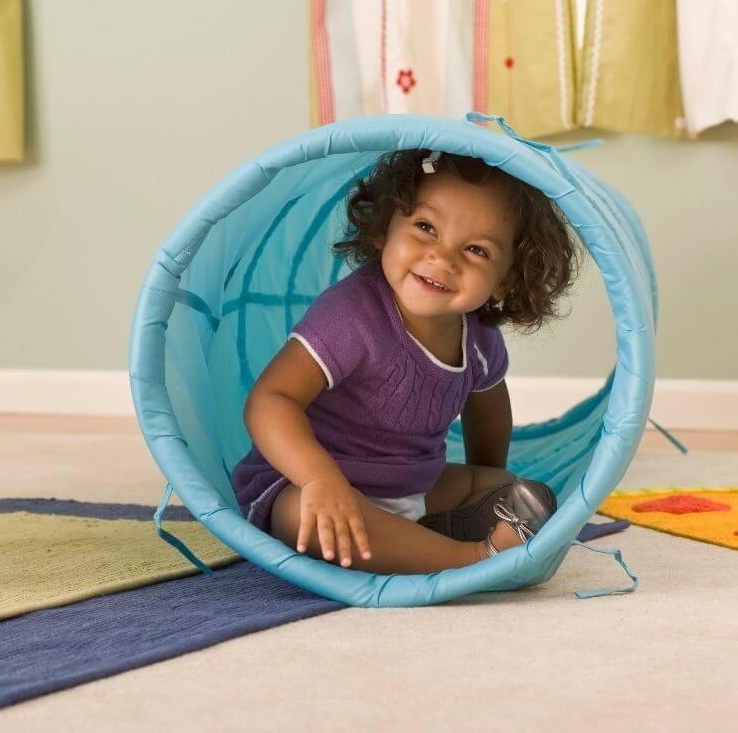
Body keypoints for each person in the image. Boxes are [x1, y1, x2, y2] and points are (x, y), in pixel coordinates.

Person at [231, 148, 583, 574]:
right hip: (304, 483)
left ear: (504, 280)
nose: (443, 257)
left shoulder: (478, 336)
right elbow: (270, 399)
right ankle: (469, 558)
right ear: (384, 227)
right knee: (307, 519)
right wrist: (318, 479)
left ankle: (433, 530)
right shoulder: (351, 316)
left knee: (513, 489)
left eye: (476, 249)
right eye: (425, 227)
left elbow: (488, 415)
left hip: (413, 484)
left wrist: (485, 483)